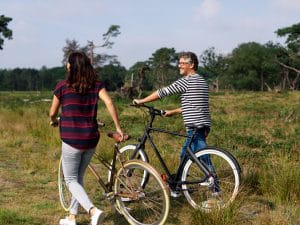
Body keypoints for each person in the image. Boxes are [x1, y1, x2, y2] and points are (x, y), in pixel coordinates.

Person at [49, 52, 124, 225]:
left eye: (68, 63)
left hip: (71, 140)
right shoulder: (96, 85)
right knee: (78, 177)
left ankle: (93, 210)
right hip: (91, 139)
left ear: (70, 66)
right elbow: (110, 103)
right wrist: (118, 128)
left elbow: (52, 112)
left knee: (70, 180)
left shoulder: (62, 86)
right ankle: (71, 217)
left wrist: (53, 121)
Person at [133, 51, 214, 196]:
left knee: (204, 158)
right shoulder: (201, 81)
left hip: (194, 126)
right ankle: (177, 187)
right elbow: (195, 104)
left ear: (192, 65)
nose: (179, 66)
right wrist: (173, 111)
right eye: (179, 63)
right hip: (203, 124)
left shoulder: (187, 81)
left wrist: (141, 101)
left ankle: (215, 190)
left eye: (182, 63)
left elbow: (163, 92)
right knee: (185, 155)